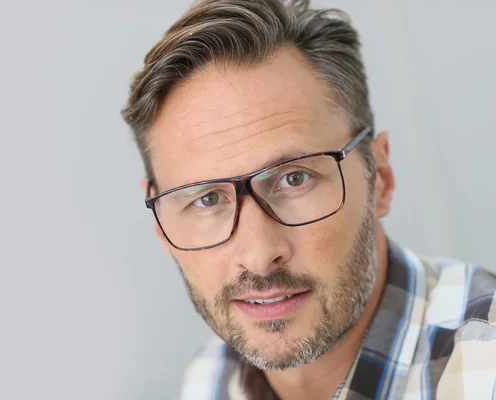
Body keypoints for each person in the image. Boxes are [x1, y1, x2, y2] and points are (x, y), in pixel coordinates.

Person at [121, 1, 496, 398]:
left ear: (380, 177)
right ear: (160, 225)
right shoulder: (209, 382)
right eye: (208, 198)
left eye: (294, 179)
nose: (259, 254)